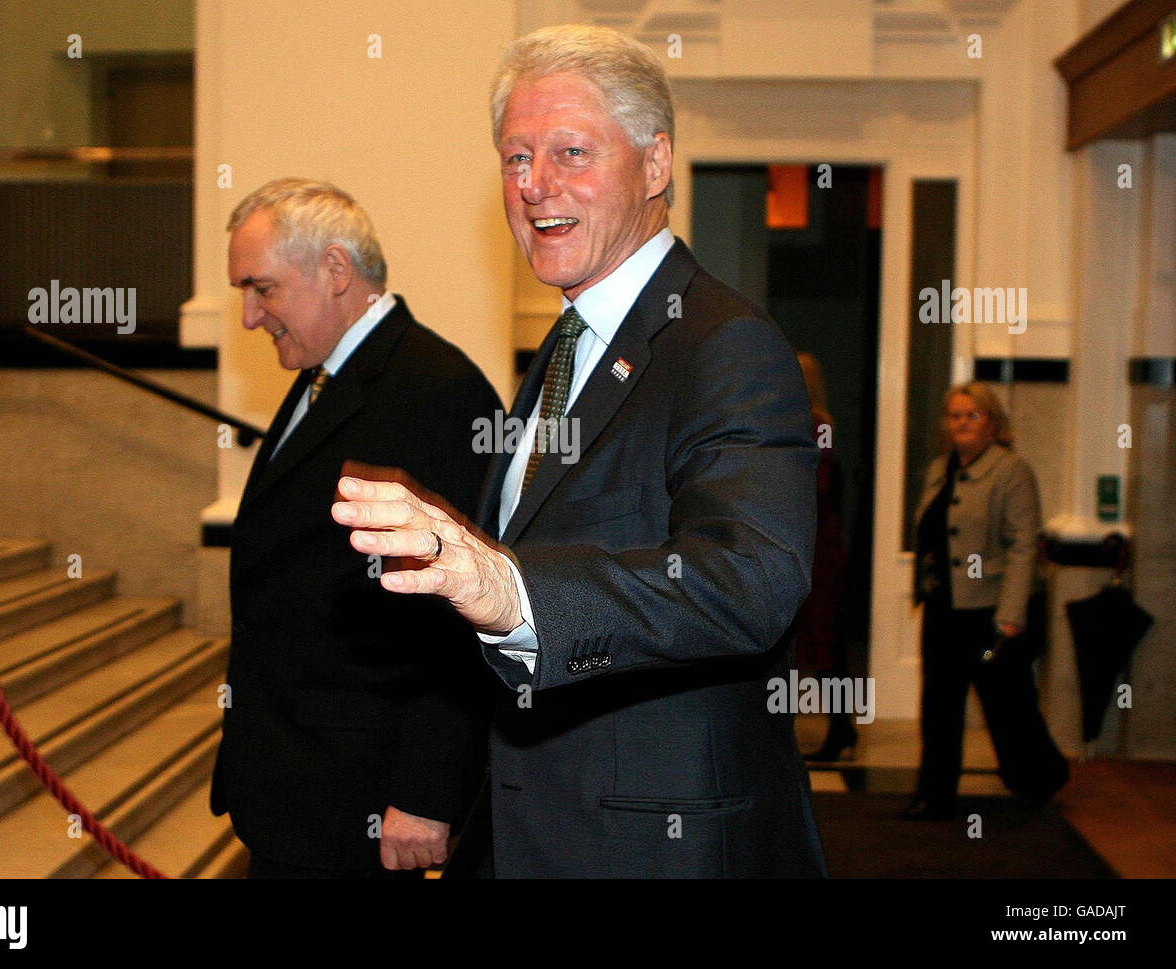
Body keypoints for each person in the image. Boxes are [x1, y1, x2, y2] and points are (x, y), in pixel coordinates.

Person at [332, 25, 825, 878]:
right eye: (515, 157)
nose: (534, 185)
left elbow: (754, 580)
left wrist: (515, 592)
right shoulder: (567, 349)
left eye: (570, 151)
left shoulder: (724, 345)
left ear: (656, 164)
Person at [210, 178, 501, 876]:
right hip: (300, 783)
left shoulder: (435, 389)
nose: (250, 316)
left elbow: (455, 614)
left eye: (262, 289)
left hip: (363, 799)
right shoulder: (327, 377)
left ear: (335, 270)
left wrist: (426, 792)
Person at [902, 381, 1068, 820]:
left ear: (993, 424)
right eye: (954, 415)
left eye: (971, 415)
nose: (961, 423)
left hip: (991, 614)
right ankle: (934, 795)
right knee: (939, 703)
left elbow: (1022, 547)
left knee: (1005, 701)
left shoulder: (1011, 471)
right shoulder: (941, 468)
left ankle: (1041, 777)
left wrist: (1011, 615)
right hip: (944, 608)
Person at [794, 353, 855, 762]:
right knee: (816, 641)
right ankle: (841, 727)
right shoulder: (814, 422)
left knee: (823, 641)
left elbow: (813, 488)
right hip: (813, 542)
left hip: (816, 546)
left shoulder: (816, 425)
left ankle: (841, 727)